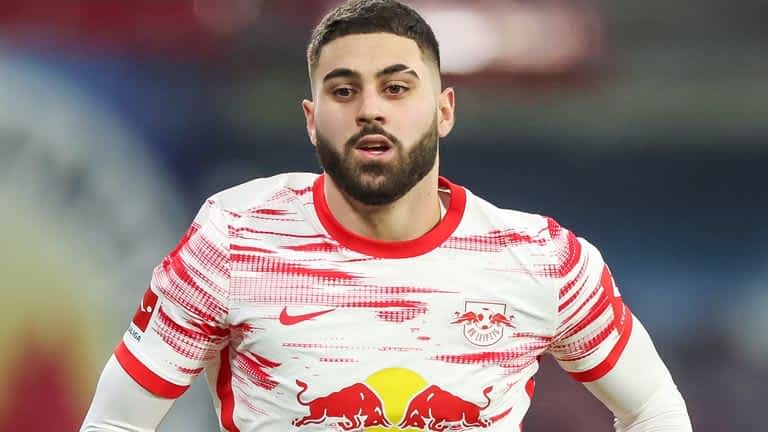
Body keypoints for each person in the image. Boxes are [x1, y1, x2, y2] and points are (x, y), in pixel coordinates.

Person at [81, 0, 692, 430]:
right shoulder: (234, 240)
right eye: (344, 90)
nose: (371, 109)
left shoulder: (541, 259)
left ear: (444, 110)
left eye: (396, 88)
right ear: (311, 119)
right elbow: (115, 422)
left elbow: (654, 409)